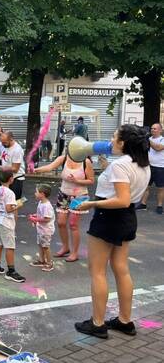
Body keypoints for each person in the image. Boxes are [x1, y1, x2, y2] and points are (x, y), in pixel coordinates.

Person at [74, 125, 150, 339]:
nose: (110, 140)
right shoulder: (142, 163)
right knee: (121, 269)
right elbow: (128, 196)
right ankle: (125, 321)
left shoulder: (121, 165)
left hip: (108, 218)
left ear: (123, 143)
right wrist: (108, 167)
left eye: (114, 136)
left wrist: (90, 204)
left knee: (97, 271)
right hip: (128, 218)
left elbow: (121, 198)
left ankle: (97, 323)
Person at [34, 154, 94, 262]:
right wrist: (36, 169)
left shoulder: (86, 162)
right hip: (64, 194)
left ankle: (74, 253)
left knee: (73, 224)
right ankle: (65, 247)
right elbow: (50, 167)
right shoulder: (64, 158)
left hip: (79, 196)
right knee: (61, 223)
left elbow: (91, 180)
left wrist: (77, 181)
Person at [0, 168, 26, 283]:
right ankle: (11, 271)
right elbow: (9, 209)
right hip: (6, 222)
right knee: (10, 246)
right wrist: (18, 205)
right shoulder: (10, 193)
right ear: (11, 179)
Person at [137, 122, 164, 214]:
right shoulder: (148, 139)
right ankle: (143, 204)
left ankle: (159, 206)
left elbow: (158, 148)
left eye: (155, 129)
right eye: (151, 128)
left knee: (160, 188)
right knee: (146, 187)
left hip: (160, 167)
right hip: (148, 166)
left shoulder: (162, 140)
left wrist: (147, 140)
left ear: (160, 130)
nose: (152, 130)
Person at [28, 184, 56, 272]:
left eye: (36, 192)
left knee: (46, 246)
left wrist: (35, 219)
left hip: (46, 230)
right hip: (41, 229)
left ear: (42, 194)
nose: (35, 193)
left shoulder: (46, 206)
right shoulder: (41, 203)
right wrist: (35, 215)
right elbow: (42, 215)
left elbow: (47, 218)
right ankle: (41, 260)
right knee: (40, 244)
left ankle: (49, 263)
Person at [0, 131, 26, 199]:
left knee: (14, 202)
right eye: (1, 142)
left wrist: (0, 167)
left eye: (4, 142)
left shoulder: (17, 150)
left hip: (16, 179)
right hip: (7, 177)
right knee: (3, 200)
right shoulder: (5, 146)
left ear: (11, 139)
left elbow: (15, 169)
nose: (2, 144)